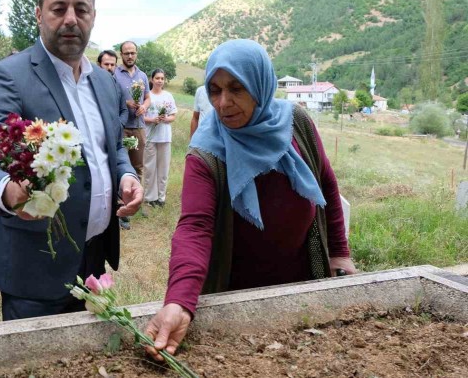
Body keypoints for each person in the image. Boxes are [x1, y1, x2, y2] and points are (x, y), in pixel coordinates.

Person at [144, 39, 356, 361]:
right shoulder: (207, 150)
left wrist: (339, 253)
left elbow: (325, 182)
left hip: (301, 276)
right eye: (214, 90)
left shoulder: (296, 122)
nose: (222, 102)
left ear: (261, 84)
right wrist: (179, 301)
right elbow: (195, 227)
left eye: (236, 88)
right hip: (237, 291)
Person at [0, 0, 143, 321]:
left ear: (94, 15)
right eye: (59, 8)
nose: (71, 19)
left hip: (91, 257)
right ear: (38, 14)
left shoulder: (106, 84)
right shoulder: (10, 75)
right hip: (35, 265)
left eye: (81, 9)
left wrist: (126, 175)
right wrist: (6, 190)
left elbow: (114, 147)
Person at [114, 41, 151, 229]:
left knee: (137, 165)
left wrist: (144, 106)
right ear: (121, 54)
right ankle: (121, 210)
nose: (130, 56)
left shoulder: (142, 76)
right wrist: (126, 103)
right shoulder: (114, 74)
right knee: (121, 166)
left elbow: (148, 97)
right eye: (126, 53)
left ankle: (137, 201)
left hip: (138, 127)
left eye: (133, 53)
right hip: (121, 128)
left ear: (137, 54)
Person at [142, 69, 177, 207]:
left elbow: (173, 115)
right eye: (157, 78)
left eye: (162, 78)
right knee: (150, 168)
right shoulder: (147, 96)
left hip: (164, 136)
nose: (160, 81)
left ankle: (161, 197)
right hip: (150, 137)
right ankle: (150, 198)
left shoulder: (168, 96)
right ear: (151, 79)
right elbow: (141, 117)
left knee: (163, 169)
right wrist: (152, 119)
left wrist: (165, 118)